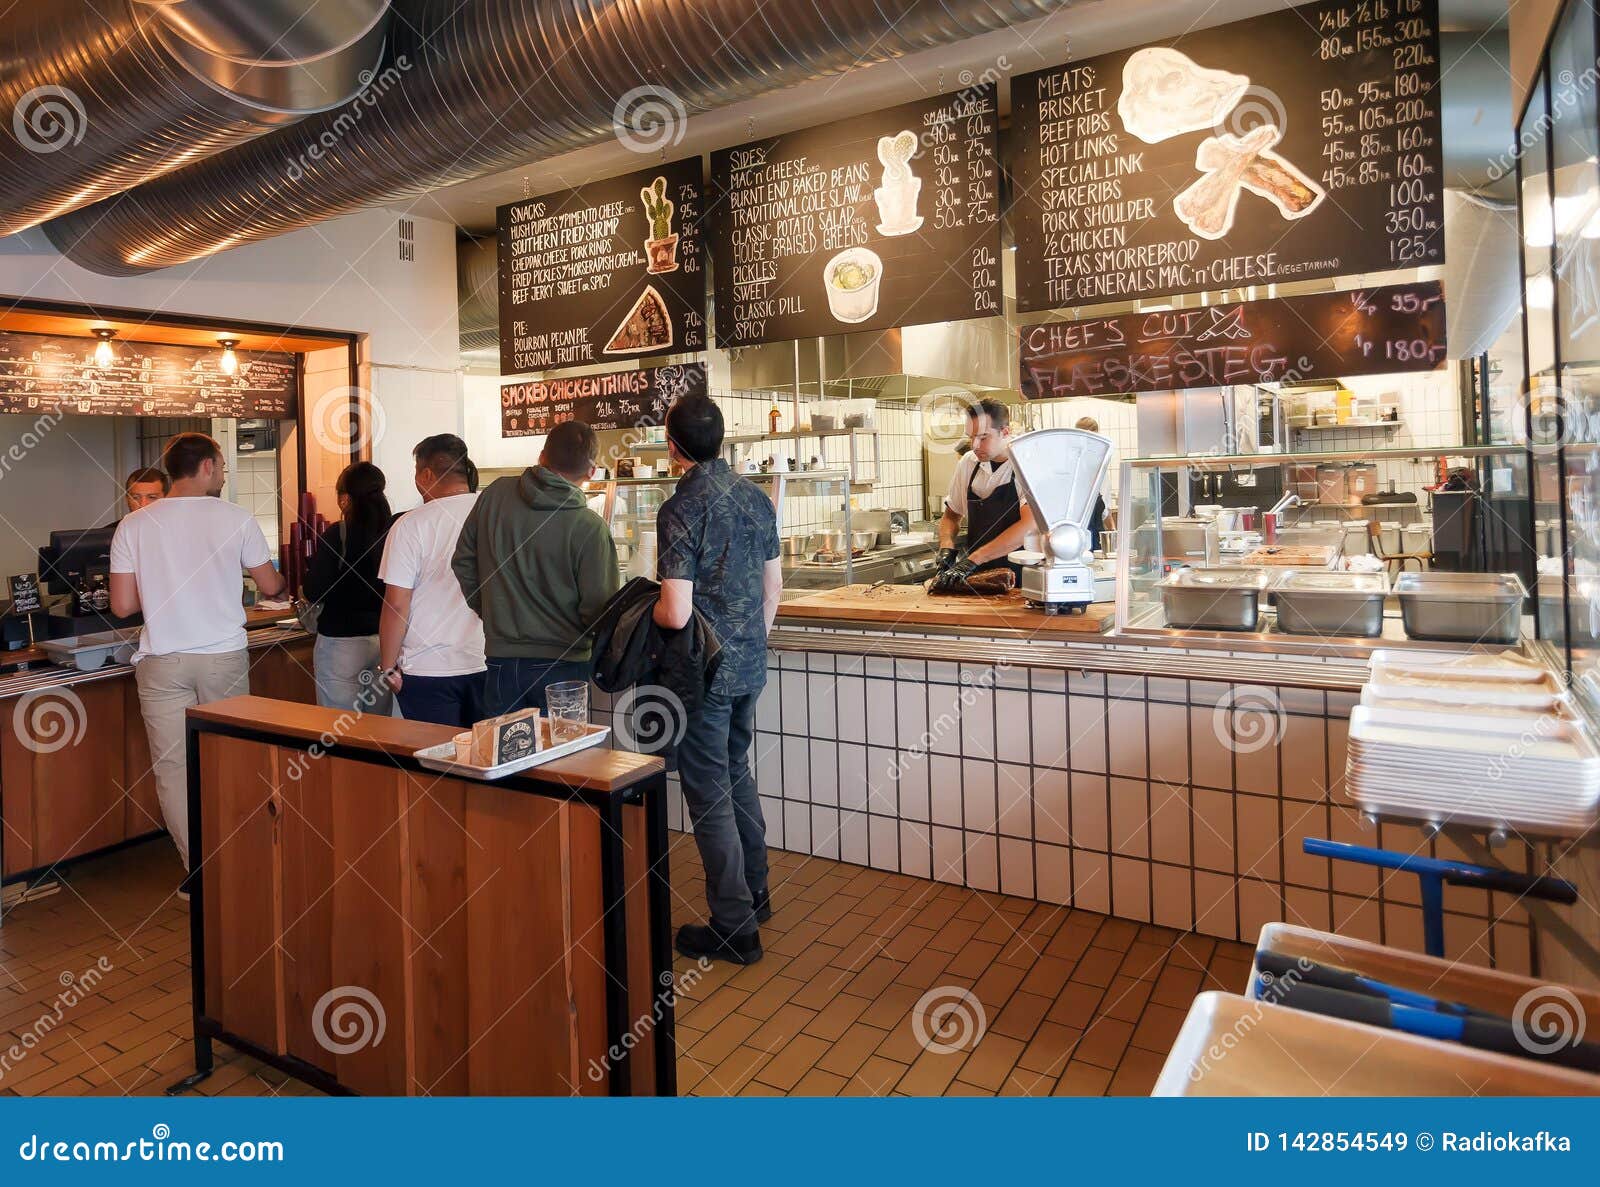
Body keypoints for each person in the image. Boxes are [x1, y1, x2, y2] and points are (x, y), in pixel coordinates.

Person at [108, 433, 285, 874]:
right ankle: (237, 866)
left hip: (162, 660)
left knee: (173, 771)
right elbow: (270, 587)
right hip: (223, 657)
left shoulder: (134, 525)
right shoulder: (236, 518)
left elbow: (123, 606)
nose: (223, 474)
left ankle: (199, 871)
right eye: (222, 466)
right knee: (230, 759)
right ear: (206, 466)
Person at [654, 394, 782, 966]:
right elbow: (773, 589)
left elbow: (676, 613)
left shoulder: (681, 508)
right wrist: (749, 641)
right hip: (750, 663)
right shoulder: (758, 499)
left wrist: (647, 608)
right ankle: (756, 893)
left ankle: (734, 926)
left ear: (673, 444)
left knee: (708, 793)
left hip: (703, 675)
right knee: (736, 771)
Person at [452, 419, 619, 717]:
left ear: (542, 456)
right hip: (564, 664)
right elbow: (600, 610)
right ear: (592, 471)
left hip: (501, 661)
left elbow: (463, 560)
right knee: (561, 758)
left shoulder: (495, 495)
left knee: (506, 757)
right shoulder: (589, 527)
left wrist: (491, 609)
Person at [377, 435, 486, 727]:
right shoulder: (494, 513)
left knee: (437, 765)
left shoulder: (411, 525)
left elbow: (397, 603)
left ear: (426, 474)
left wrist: (387, 666)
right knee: (488, 761)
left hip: (428, 670)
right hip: (490, 661)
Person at [303, 461, 393, 715]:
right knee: (380, 729)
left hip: (340, 644)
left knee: (338, 729)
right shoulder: (394, 532)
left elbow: (314, 589)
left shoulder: (337, 534)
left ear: (345, 499)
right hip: (383, 642)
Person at [932, 398, 1029, 591]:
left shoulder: (1026, 461)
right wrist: (946, 546)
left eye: (983, 437)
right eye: (971, 437)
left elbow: (1028, 527)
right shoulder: (969, 462)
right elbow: (952, 515)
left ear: (1005, 432)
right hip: (979, 577)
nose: (974, 445)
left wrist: (972, 560)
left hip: (1024, 577)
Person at [1074, 416, 1109, 546]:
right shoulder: (1080, 463)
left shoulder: (1100, 461)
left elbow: (1104, 508)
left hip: (1091, 533)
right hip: (1085, 534)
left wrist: (1112, 530)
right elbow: (1105, 510)